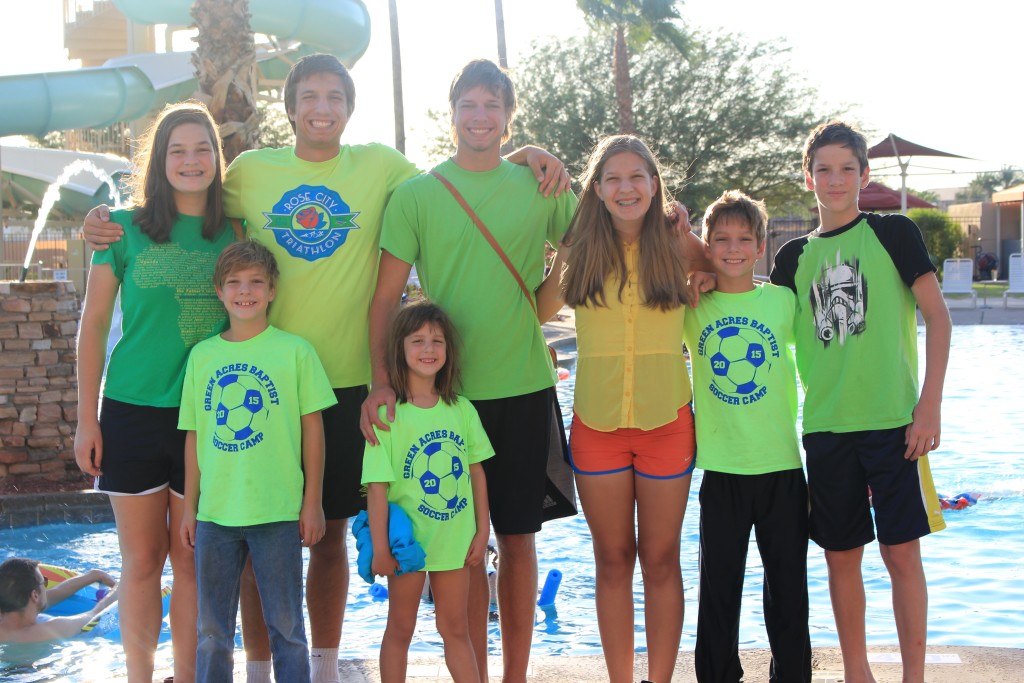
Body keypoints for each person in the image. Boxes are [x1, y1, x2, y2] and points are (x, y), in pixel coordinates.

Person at [83, 53, 568, 683]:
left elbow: (464, 170)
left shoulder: (383, 168)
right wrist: (104, 219)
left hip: (347, 384)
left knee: (333, 534)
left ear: (349, 107)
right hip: (264, 384)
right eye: (308, 96)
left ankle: (323, 664)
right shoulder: (251, 174)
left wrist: (524, 151)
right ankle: (258, 667)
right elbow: (183, 188)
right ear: (288, 108)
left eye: (334, 97)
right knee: (259, 540)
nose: (321, 107)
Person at [362, 59, 578, 682]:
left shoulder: (541, 187)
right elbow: (383, 301)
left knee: (516, 539)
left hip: (523, 387)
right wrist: (381, 381)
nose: (479, 117)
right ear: (452, 112)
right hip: (443, 398)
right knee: (461, 551)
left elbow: (585, 251)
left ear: (509, 118)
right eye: (469, 105)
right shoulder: (416, 196)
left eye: (492, 105)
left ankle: (513, 675)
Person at [769, 120, 951, 683]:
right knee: (840, 557)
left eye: (847, 168)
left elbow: (939, 322)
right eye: (823, 168)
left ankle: (913, 676)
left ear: (864, 175)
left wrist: (929, 408)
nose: (835, 178)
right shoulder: (791, 258)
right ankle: (857, 673)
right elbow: (761, 323)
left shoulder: (893, 233)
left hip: (896, 425)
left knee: (901, 555)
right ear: (808, 178)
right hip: (825, 429)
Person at [535, 134, 707, 683]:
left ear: (654, 186)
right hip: (598, 429)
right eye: (613, 178)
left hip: (667, 427)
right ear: (599, 189)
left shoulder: (678, 244)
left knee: (660, 561)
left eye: (637, 177)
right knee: (612, 562)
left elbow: (725, 276)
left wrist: (697, 251)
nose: (626, 187)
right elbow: (537, 308)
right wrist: (562, 247)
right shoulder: (581, 250)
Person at [73, 101, 234, 683]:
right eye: (177, 151)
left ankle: (187, 677)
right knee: (142, 561)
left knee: (193, 560)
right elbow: (92, 327)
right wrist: (87, 419)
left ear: (217, 159)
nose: (191, 161)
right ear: (158, 161)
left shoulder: (236, 232)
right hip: (132, 414)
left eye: (202, 149)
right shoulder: (120, 230)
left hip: (211, 421)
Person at [179, 239, 336, 682]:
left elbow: (313, 431)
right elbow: (193, 437)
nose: (244, 291)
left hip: (279, 511)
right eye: (234, 283)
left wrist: (313, 501)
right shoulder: (203, 357)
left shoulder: (295, 352)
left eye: (255, 283)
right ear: (219, 291)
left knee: (287, 628)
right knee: (212, 631)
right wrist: (191, 507)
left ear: (271, 291)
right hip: (215, 515)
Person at [682, 190, 811, 682]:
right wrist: (698, 269)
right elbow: (673, 244)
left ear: (760, 247)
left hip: (781, 468)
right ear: (708, 246)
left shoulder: (781, 302)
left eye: (743, 239)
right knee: (718, 591)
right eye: (720, 240)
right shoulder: (694, 303)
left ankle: (793, 675)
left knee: (787, 590)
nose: (732, 248)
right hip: (722, 469)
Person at [362, 302, 493, 683]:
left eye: (437, 340)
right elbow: (377, 488)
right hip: (407, 547)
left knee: (455, 631)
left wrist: (482, 531)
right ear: (399, 350)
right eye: (417, 340)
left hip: (455, 542)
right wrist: (382, 549)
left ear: (448, 350)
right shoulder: (387, 417)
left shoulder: (462, 410)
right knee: (400, 630)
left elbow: (477, 471)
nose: (428, 348)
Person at [0, 558, 120, 643]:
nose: (46, 586)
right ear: (35, 596)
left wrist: (93, 575)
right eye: (44, 582)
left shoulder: (8, 618)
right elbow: (94, 615)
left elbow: (57, 592)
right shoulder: (49, 630)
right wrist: (119, 588)